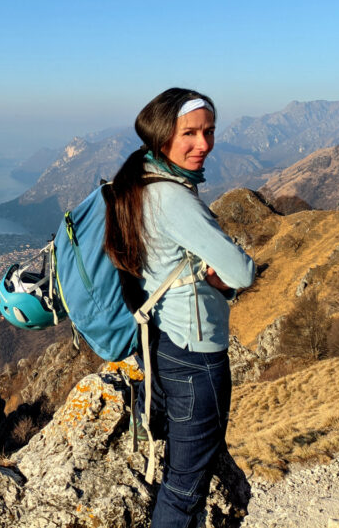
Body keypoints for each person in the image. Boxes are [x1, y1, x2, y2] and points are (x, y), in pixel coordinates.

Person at [103, 88, 256, 528]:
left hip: (166, 345)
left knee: (180, 476)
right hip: (197, 356)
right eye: (190, 133)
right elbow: (243, 271)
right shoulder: (174, 198)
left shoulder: (142, 181)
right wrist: (222, 275)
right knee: (186, 488)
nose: (203, 143)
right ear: (162, 136)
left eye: (208, 131)